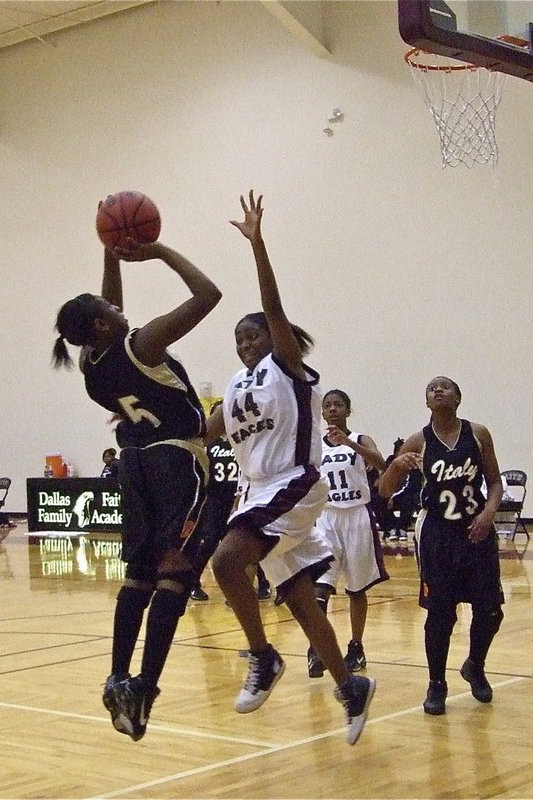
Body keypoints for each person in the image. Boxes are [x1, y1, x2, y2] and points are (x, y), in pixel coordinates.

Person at [206, 191, 375, 745]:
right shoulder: (234, 386)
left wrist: (259, 245)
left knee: (228, 560)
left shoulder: (288, 369)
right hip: (255, 492)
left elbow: (273, 309)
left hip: (293, 484)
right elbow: (204, 432)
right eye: (239, 338)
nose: (246, 343)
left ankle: (262, 657)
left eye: (252, 334)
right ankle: (351, 686)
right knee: (302, 600)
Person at [52, 238, 221, 741]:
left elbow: (109, 310)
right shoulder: (142, 344)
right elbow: (208, 294)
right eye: (109, 309)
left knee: (140, 573)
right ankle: (145, 685)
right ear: (102, 324)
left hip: (133, 466)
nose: (117, 306)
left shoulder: (93, 366)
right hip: (174, 460)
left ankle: (118, 676)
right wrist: (158, 250)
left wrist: (109, 253)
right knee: (176, 569)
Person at [378, 376, 504, 716]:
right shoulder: (418, 440)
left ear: (458, 397)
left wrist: (489, 512)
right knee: (440, 614)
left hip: (476, 530)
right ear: (427, 402)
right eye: (432, 388)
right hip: (437, 536)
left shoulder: (478, 434)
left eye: (445, 386)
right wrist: (395, 466)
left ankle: (475, 664)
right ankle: (437, 683)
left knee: (491, 611)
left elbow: (494, 482)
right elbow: (385, 490)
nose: (438, 390)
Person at [307, 389, 390, 678]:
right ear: (323, 412)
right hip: (327, 516)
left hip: (357, 515)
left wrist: (350, 445)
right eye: (328, 405)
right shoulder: (315, 443)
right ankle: (316, 646)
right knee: (321, 584)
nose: (332, 409)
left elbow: (382, 465)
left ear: (347, 410)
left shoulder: (360, 439)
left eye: (338, 405)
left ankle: (356, 646)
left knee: (357, 588)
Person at [190, 401, 271, 602]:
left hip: (242, 499)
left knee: (250, 541)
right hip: (215, 500)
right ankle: (193, 583)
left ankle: (263, 583)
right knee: (209, 542)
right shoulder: (208, 444)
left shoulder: (242, 440)